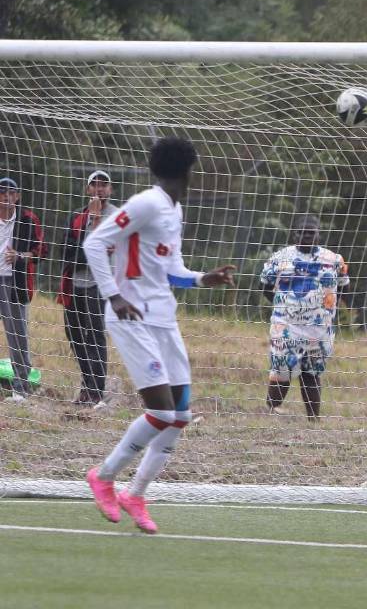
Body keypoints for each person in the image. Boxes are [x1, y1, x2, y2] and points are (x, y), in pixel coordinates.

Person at [83, 137, 235, 534]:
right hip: (132, 317)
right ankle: (103, 475)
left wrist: (204, 279)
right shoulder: (146, 202)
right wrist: (113, 296)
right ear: (189, 168)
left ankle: (136, 494)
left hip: (163, 318)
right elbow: (94, 243)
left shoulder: (173, 208)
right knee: (162, 411)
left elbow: (172, 270)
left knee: (180, 415)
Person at [260, 215, 349, 420]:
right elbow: (264, 286)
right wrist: (286, 305)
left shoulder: (334, 259)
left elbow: (344, 286)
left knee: (312, 373)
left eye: (311, 232)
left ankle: (313, 419)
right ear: (295, 234)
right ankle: (271, 409)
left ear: (319, 234)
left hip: (319, 328)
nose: (307, 236)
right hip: (286, 325)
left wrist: (326, 308)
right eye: (302, 232)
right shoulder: (280, 257)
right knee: (282, 369)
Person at [58, 170, 117, 406]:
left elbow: (104, 249)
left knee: (95, 336)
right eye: (94, 185)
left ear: (110, 190)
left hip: (100, 284)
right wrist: (91, 251)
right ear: (87, 190)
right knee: (74, 334)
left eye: (104, 185)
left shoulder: (117, 216)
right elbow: (68, 252)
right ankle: (87, 383)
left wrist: (95, 221)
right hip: (75, 283)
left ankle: (96, 391)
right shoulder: (76, 216)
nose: (99, 189)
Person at [0, 176, 46, 402]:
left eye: (11, 192)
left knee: (17, 336)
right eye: (2, 192)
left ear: (18, 196)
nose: (7, 197)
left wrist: (18, 256)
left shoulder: (29, 219)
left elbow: (41, 252)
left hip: (14, 283)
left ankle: (21, 388)